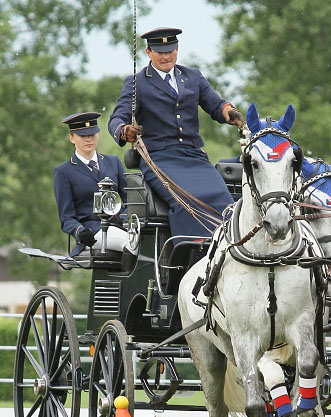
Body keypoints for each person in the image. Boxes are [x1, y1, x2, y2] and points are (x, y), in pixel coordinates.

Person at [108, 26, 245, 242]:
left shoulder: (193, 77)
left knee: (223, 198)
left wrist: (228, 111)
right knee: (187, 201)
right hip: (159, 158)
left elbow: (215, 104)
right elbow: (116, 119)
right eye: (161, 52)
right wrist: (124, 130)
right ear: (148, 52)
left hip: (194, 156)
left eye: (171, 50)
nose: (166, 56)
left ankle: (227, 250)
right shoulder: (137, 82)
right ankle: (189, 256)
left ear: (177, 49)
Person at [53, 111, 130, 260]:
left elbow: (129, 198)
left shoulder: (113, 162)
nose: (89, 139)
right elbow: (66, 217)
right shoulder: (63, 172)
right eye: (83, 136)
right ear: (71, 138)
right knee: (129, 242)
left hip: (123, 224)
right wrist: (79, 231)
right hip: (93, 230)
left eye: (92, 134)